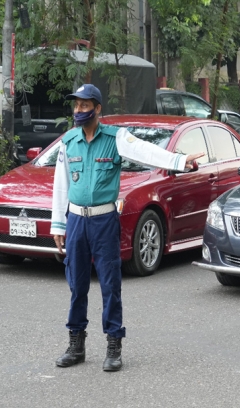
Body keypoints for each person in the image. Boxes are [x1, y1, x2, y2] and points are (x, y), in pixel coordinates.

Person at [50, 84, 204, 372]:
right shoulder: (68, 141)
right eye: (76, 106)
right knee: (77, 285)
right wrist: (59, 224)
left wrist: (180, 161)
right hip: (76, 222)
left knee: (110, 284)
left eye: (85, 106)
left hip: (104, 220)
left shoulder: (115, 138)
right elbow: (62, 184)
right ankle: (76, 344)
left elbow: (146, 152)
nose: (79, 111)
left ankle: (113, 345)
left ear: (97, 109)